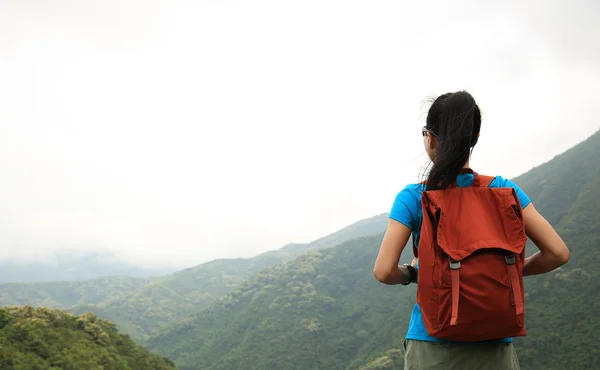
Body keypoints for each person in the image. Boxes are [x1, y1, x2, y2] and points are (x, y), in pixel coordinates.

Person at [373, 90, 570, 370]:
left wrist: (416, 272)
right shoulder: (504, 189)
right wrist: (500, 270)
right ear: (474, 138)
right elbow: (558, 253)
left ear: (429, 138)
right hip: (495, 346)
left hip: (432, 345)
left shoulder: (414, 197)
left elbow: (383, 271)